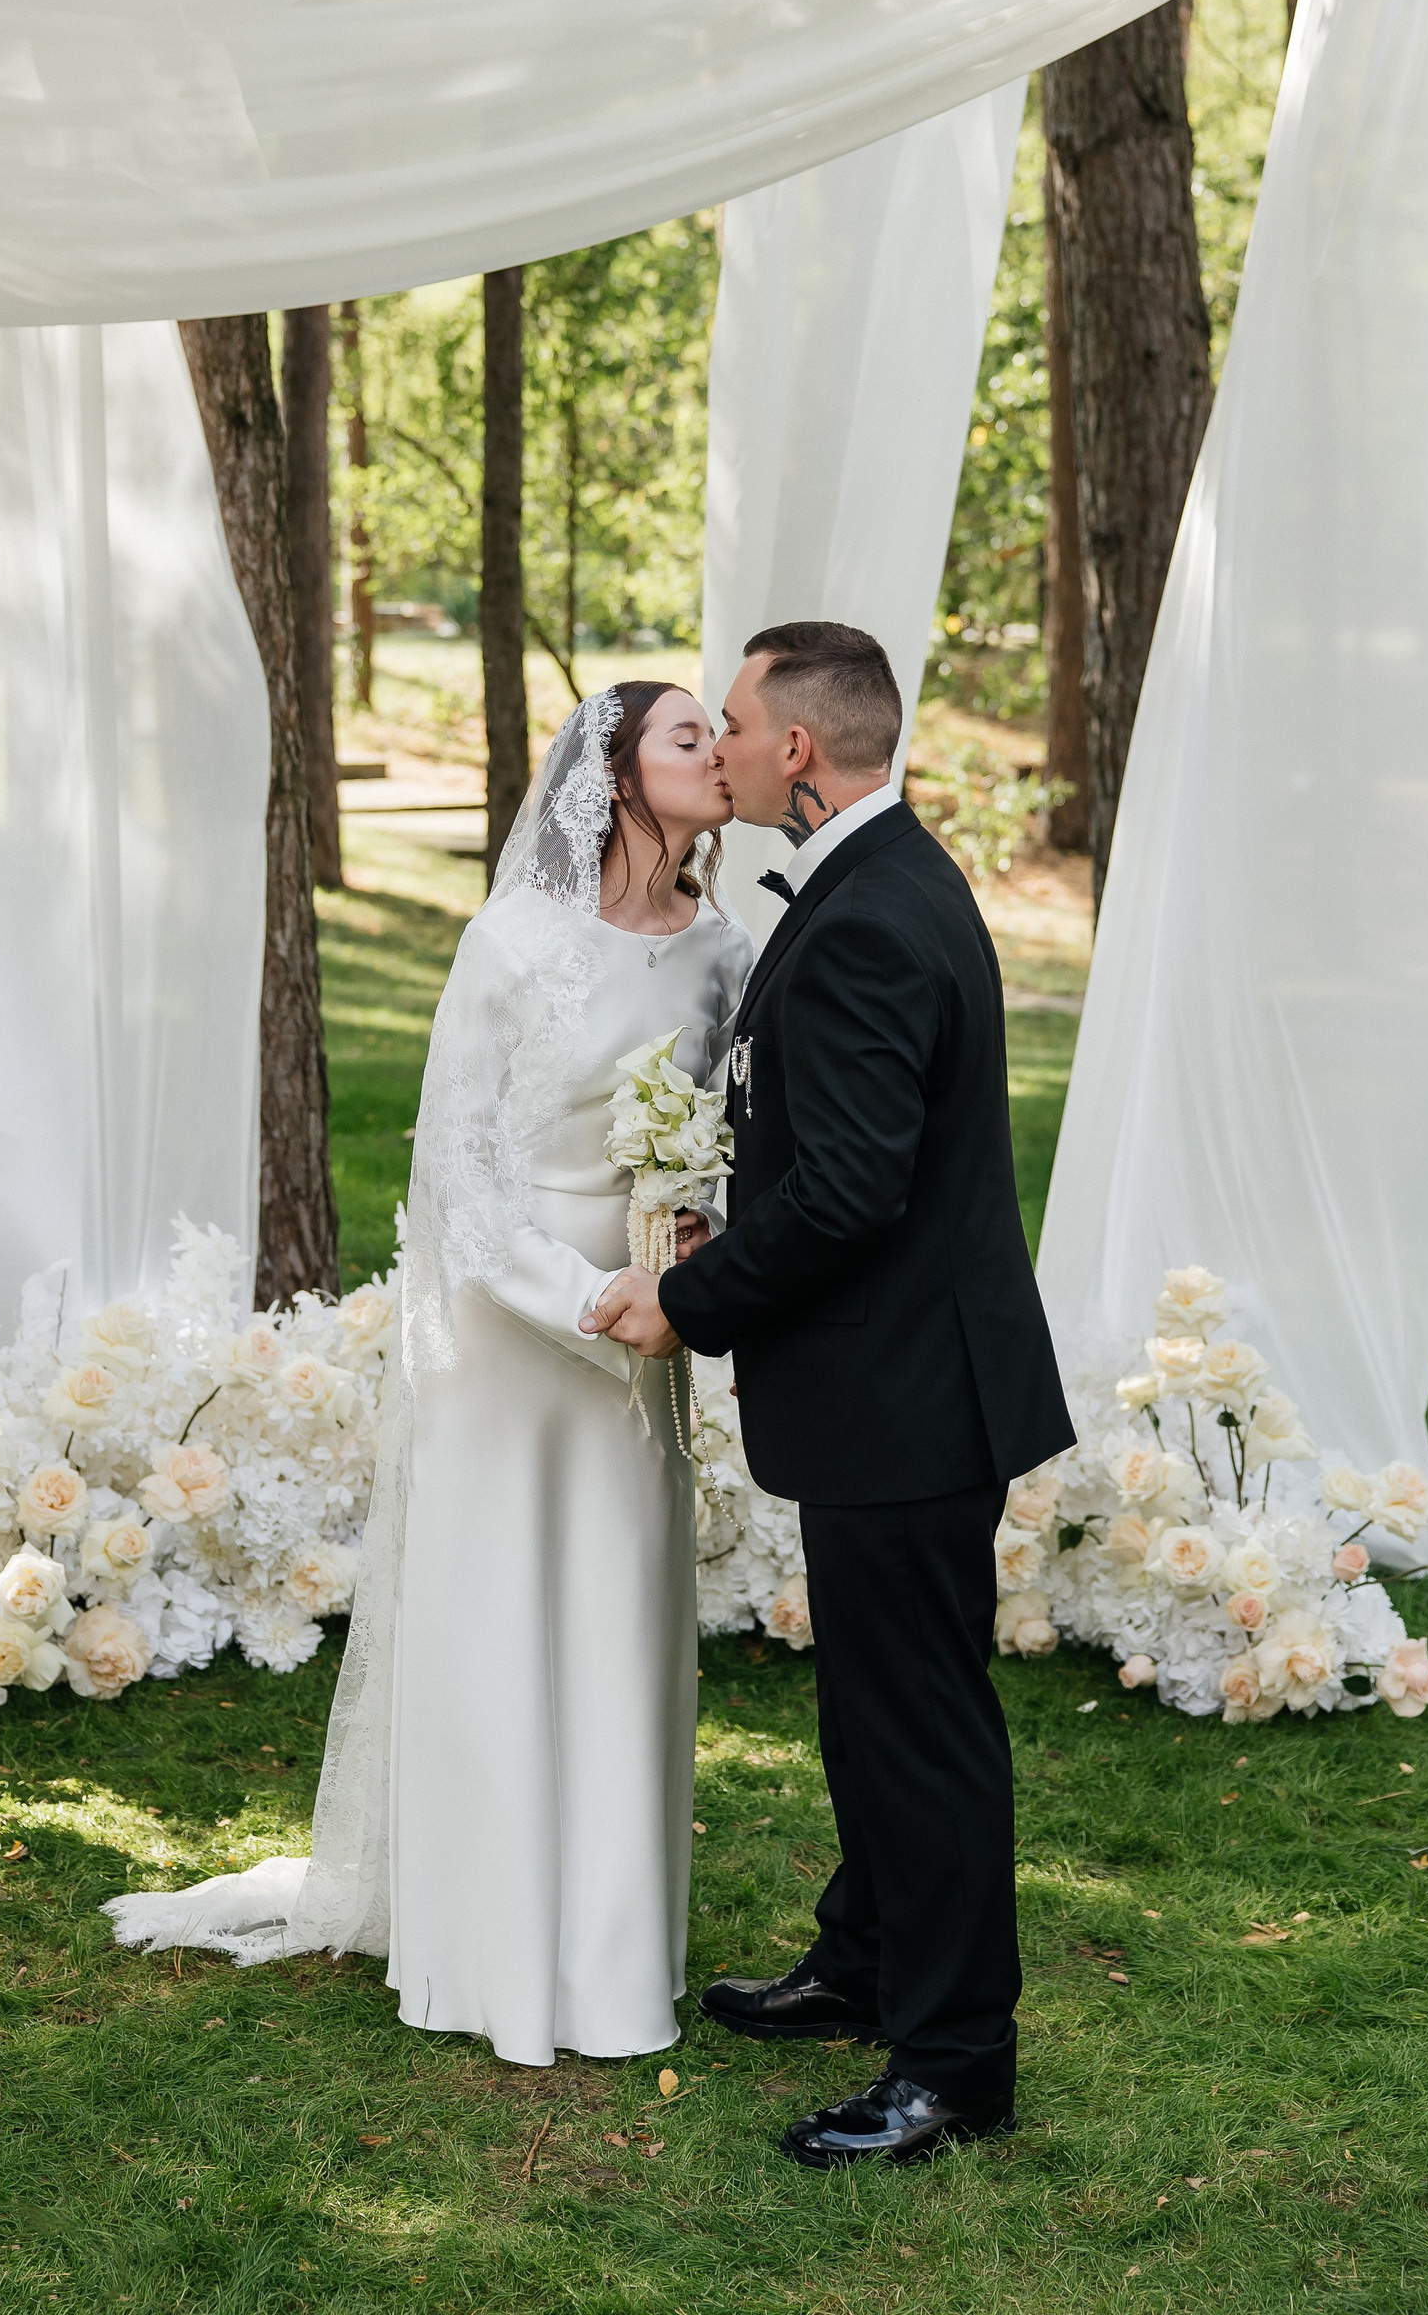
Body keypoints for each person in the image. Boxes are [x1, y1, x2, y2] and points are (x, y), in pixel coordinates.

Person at [106, 681, 750, 2067]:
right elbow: (457, 1169)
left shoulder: (725, 950)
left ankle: (611, 1959)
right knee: (504, 1610)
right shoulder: (512, 941)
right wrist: (583, 1298)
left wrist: (690, 1253)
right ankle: (490, 1952)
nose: (721, 752)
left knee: (621, 1615)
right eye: (688, 735)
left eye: (722, 733)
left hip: (651, 1323)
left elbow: (732, 1131)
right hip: (513, 1329)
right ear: (616, 775)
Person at [589, 620, 1072, 2167]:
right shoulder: (885, 879)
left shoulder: (869, 915)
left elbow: (854, 1190)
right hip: (905, 1381)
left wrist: (689, 1297)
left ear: (796, 748)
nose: (722, 747)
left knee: (918, 1728)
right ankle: (863, 1962)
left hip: (909, 1393)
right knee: (873, 1713)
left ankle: (954, 2066)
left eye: (734, 723)